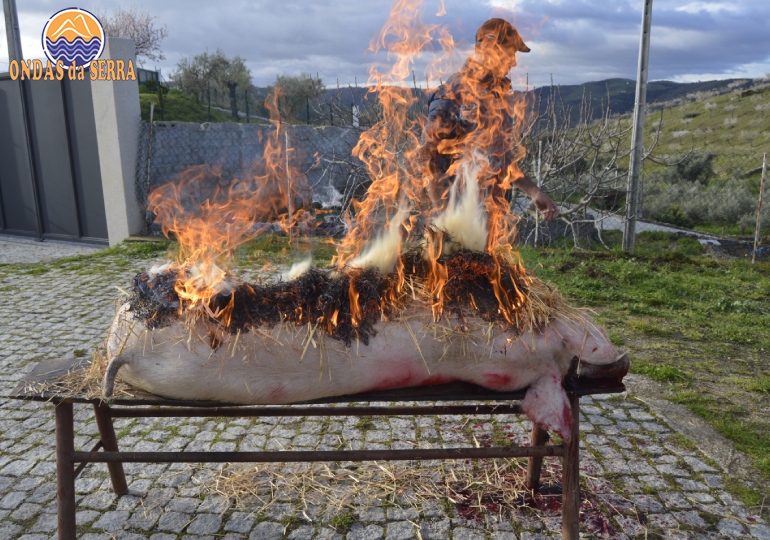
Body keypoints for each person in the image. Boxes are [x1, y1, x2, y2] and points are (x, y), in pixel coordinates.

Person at [418, 18, 559, 222]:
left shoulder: (497, 95)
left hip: (491, 222)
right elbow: (428, 155)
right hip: (459, 226)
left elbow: (501, 157)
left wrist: (533, 192)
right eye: (509, 53)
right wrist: (444, 219)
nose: (514, 61)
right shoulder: (455, 91)